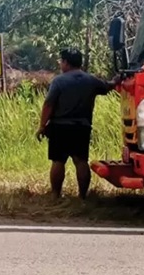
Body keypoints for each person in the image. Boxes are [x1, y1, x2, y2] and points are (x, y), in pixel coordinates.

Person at [36, 48, 117, 200]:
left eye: (61, 61)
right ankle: (82, 196)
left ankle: (55, 194)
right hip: (82, 127)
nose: (60, 64)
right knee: (81, 161)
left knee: (58, 161)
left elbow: (48, 104)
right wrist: (118, 79)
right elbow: (108, 86)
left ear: (66, 62)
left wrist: (42, 126)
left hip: (60, 126)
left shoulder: (59, 81)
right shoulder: (91, 80)